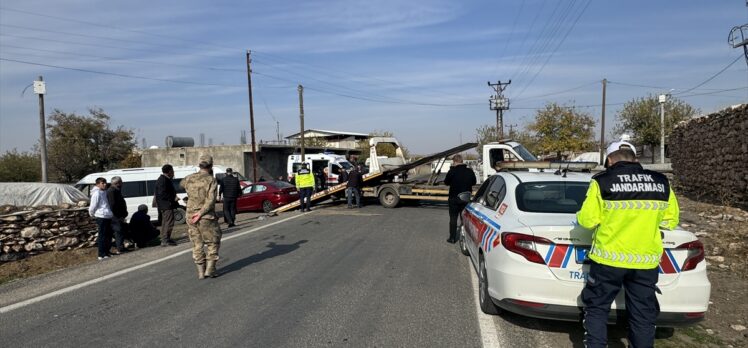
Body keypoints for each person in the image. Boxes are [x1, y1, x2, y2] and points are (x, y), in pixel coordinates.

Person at [577, 141, 679, 348]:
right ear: (635, 158)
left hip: (608, 259)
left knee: (597, 309)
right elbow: (670, 221)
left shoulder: (602, 181)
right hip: (645, 261)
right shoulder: (661, 182)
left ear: (609, 159)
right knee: (643, 314)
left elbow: (587, 221)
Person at [181, 155, 223, 279]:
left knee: (197, 243)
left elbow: (181, 184)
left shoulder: (188, 178)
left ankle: (200, 271)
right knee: (213, 241)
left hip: (190, 215)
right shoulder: (211, 180)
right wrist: (200, 213)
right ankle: (210, 269)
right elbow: (211, 201)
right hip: (205, 216)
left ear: (199, 165)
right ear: (211, 166)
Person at [444, 154, 476, 244]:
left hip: (454, 198)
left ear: (454, 162)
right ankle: (465, 238)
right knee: (464, 219)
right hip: (465, 198)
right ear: (462, 161)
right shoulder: (470, 171)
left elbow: (446, 182)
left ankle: (452, 238)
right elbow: (474, 182)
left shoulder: (452, 171)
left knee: (453, 218)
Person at [89, 177, 114, 260]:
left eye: (105, 183)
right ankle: (101, 254)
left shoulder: (105, 192)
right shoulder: (96, 193)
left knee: (108, 235)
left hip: (108, 215)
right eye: (102, 183)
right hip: (101, 215)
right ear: (98, 184)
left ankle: (107, 252)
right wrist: (92, 213)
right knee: (102, 235)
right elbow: (93, 205)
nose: (104, 184)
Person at [155, 164, 178, 246]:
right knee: (168, 222)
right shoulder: (163, 180)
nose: (173, 173)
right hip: (166, 205)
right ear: (169, 171)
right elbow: (162, 193)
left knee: (166, 222)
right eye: (172, 171)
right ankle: (165, 239)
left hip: (166, 204)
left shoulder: (165, 179)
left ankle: (166, 238)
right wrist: (172, 198)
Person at [107, 176, 130, 254]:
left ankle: (121, 247)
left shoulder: (117, 190)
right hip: (115, 216)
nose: (122, 183)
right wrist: (118, 216)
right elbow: (112, 205)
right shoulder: (111, 191)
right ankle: (119, 248)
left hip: (119, 216)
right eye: (121, 182)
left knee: (121, 231)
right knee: (118, 231)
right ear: (117, 183)